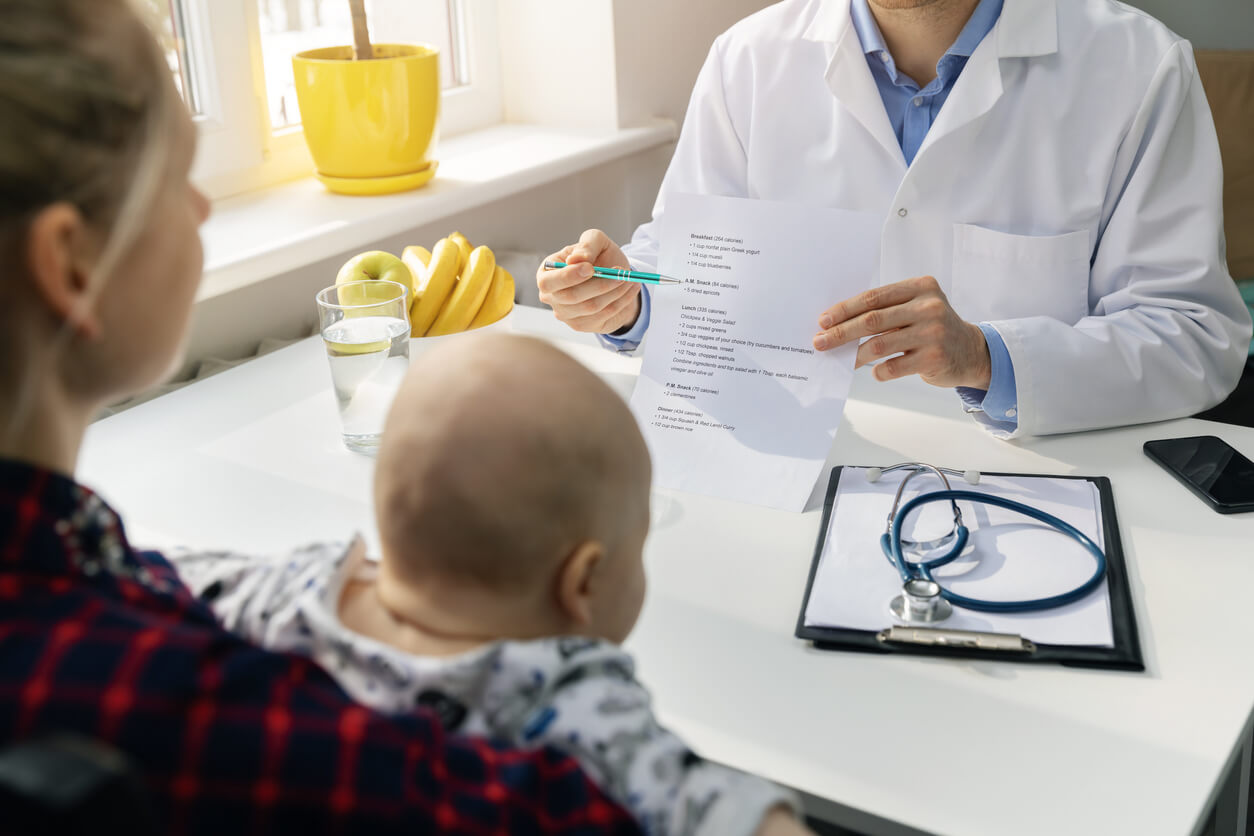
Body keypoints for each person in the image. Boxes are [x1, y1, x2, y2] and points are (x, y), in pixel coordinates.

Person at [0, 1, 639, 832]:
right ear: (71, 262)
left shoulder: (90, 561)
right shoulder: (239, 727)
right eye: (176, 180)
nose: (199, 211)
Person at [168, 333, 811, 836]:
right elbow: (717, 812)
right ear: (580, 580)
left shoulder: (284, 592)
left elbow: (160, 576)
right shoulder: (578, 711)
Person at [537, 0, 1253, 439]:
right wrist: (629, 303)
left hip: (1044, 482)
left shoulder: (1138, 65)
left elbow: (1193, 334)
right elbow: (697, 278)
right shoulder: (747, 61)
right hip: (791, 468)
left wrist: (986, 357)